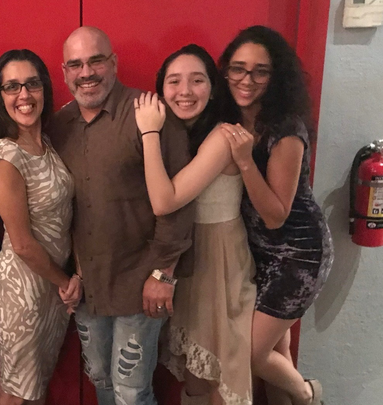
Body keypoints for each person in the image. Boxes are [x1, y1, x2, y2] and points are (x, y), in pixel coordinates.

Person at [46, 26, 195, 405]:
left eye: (96, 61)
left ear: (113, 63)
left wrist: (164, 274)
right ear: (64, 72)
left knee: (131, 392)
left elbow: (179, 202)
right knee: (100, 377)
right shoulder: (57, 126)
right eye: (75, 64)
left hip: (140, 282)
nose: (86, 73)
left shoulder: (149, 114)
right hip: (87, 288)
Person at [133, 44, 256, 405]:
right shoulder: (181, 135)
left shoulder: (222, 136)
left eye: (197, 80)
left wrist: (148, 132)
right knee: (195, 373)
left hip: (218, 260)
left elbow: (164, 200)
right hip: (188, 256)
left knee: (221, 371)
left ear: (213, 88)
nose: (184, 91)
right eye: (174, 81)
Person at [218, 25, 332, 405]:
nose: (246, 80)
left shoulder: (286, 129)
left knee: (252, 353)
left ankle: (308, 394)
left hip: (299, 255)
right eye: (238, 68)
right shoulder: (232, 117)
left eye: (260, 71)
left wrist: (245, 161)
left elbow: (276, 215)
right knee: (276, 354)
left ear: (275, 76)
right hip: (261, 254)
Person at [0, 49, 79, 405]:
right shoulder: (6, 154)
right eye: (12, 86)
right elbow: (21, 243)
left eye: (32, 84)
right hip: (22, 289)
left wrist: (65, 281)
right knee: (16, 393)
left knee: (36, 388)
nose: (24, 95)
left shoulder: (46, 142)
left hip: (52, 288)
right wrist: (65, 282)